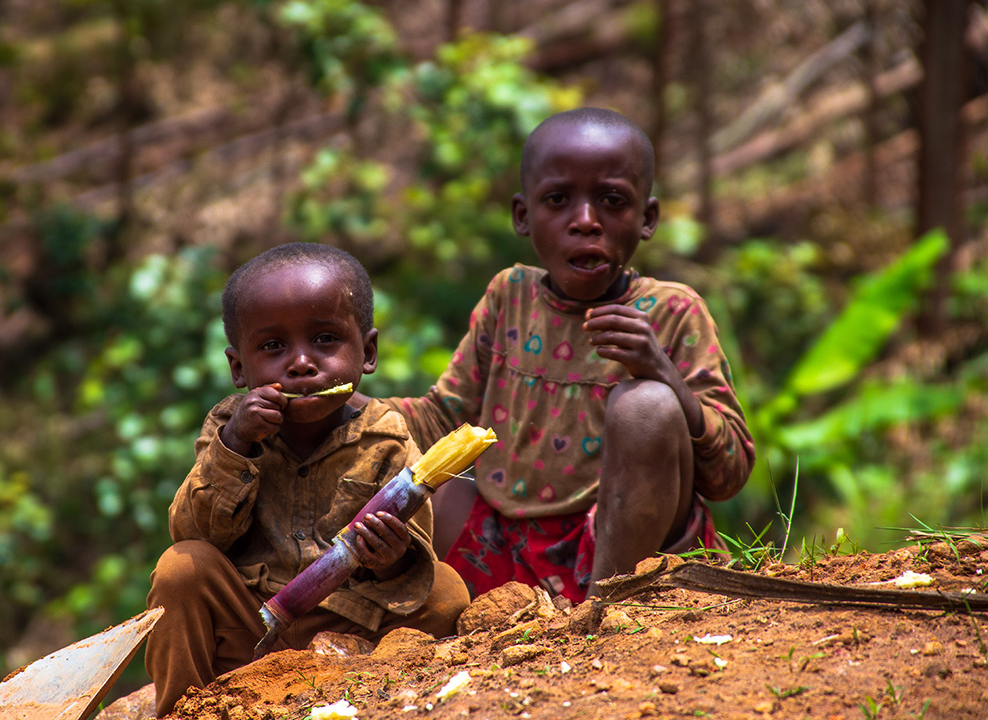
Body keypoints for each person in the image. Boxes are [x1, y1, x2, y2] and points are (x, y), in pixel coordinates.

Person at [366, 107, 755, 604]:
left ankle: (607, 611)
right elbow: (444, 415)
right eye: (558, 200)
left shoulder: (674, 312)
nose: (586, 222)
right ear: (523, 216)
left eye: (613, 201)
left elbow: (728, 475)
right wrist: (356, 411)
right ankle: (480, 614)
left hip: (620, 543)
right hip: (505, 542)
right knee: (434, 486)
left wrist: (663, 374)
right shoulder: (510, 296)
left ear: (647, 219)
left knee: (648, 407)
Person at [145, 243, 471, 717]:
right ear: (239, 368)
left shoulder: (387, 437)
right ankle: (181, 711)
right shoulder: (228, 427)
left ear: (368, 352)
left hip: (352, 631)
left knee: (445, 589)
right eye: (274, 347)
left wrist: (392, 560)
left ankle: (410, 703)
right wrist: (236, 446)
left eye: (324, 339)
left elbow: (416, 554)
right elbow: (194, 533)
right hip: (249, 627)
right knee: (181, 566)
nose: (301, 363)